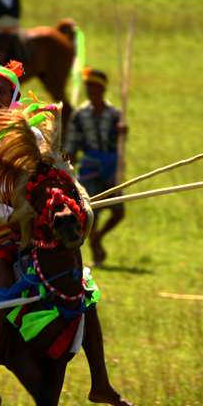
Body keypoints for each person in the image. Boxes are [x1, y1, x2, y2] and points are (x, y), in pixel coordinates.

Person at [0, 55, 136, 406]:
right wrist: (8, 212)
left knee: (83, 290)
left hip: (34, 230)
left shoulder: (33, 134)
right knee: (5, 292)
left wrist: (69, 202)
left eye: (0, 91)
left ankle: (100, 382)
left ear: (14, 94)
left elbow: (53, 176)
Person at [64, 68, 126, 266]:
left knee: (118, 211)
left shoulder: (115, 114)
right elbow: (72, 144)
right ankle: (94, 248)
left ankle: (98, 236)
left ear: (102, 88)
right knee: (91, 212)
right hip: (90, 167)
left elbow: (120, 142)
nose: (90, 90)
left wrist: (124, 132)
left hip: (111, 166)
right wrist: (68, 168)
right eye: (87, 86)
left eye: (94, 86)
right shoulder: (80, 115)